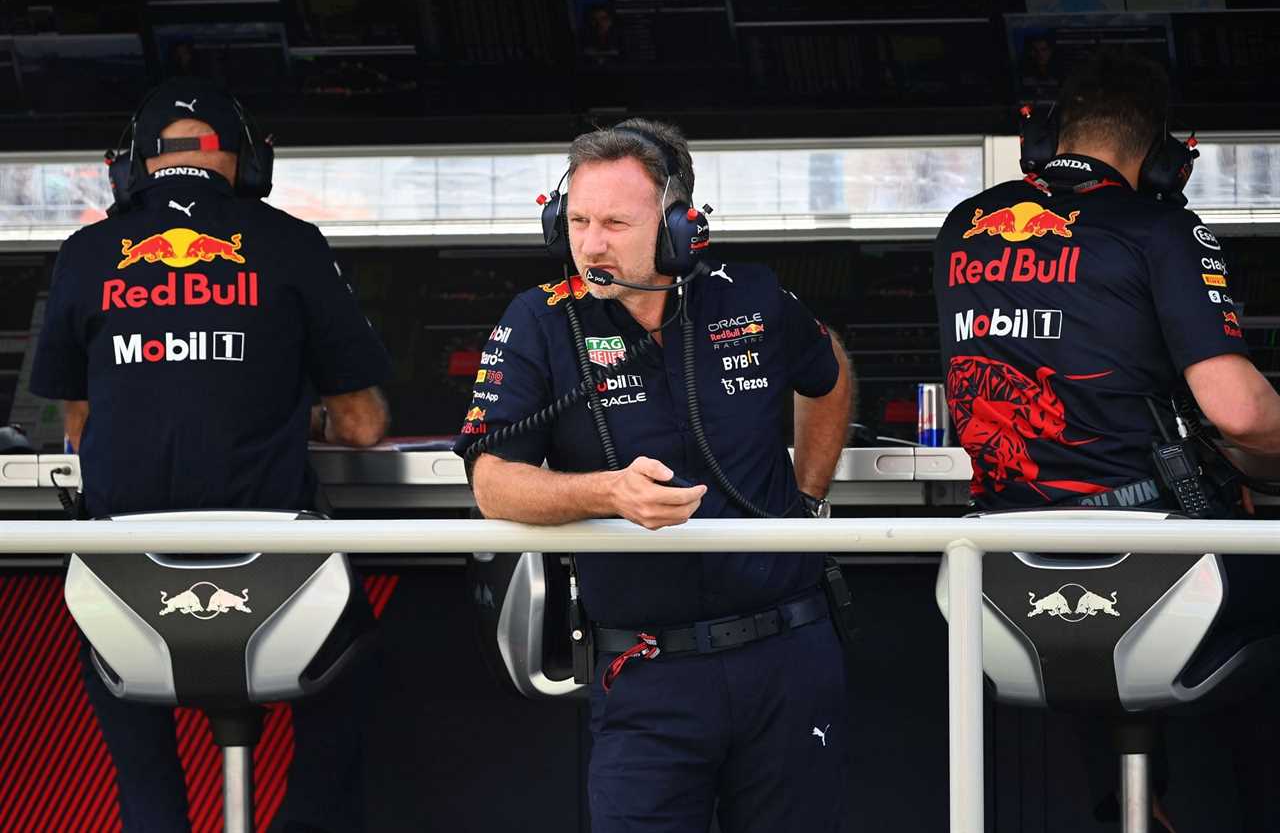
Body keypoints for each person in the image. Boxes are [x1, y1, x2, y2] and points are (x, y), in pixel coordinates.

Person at [456, 118, 854, 833]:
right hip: (644, 671)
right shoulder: (539, 321)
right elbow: (492, 480)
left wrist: (811, 497)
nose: (590, 243)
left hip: (787, 655)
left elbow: (828, 372)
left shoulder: (751, 296)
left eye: (614, 221)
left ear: (680, 229)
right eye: (576, 219)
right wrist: (603, 492)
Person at [29, 77, 391, 833]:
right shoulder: (291, 243)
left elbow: (78, 423)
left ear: (133, 163)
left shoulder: (85, 252)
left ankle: (153, 816)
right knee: (359, 661)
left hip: (127, 588)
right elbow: (363, 427)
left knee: (119, 685)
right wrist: (292, 412)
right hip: (276, 583)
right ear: (248, 162)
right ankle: (307, 820)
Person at [933, 49, 1280, 830]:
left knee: (1112, 662)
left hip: (998, 567)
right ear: (1164, 159)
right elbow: (1241, 414)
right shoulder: (1161, 226)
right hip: (1145, 552)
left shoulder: (963, 225)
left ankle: (1128, 806)